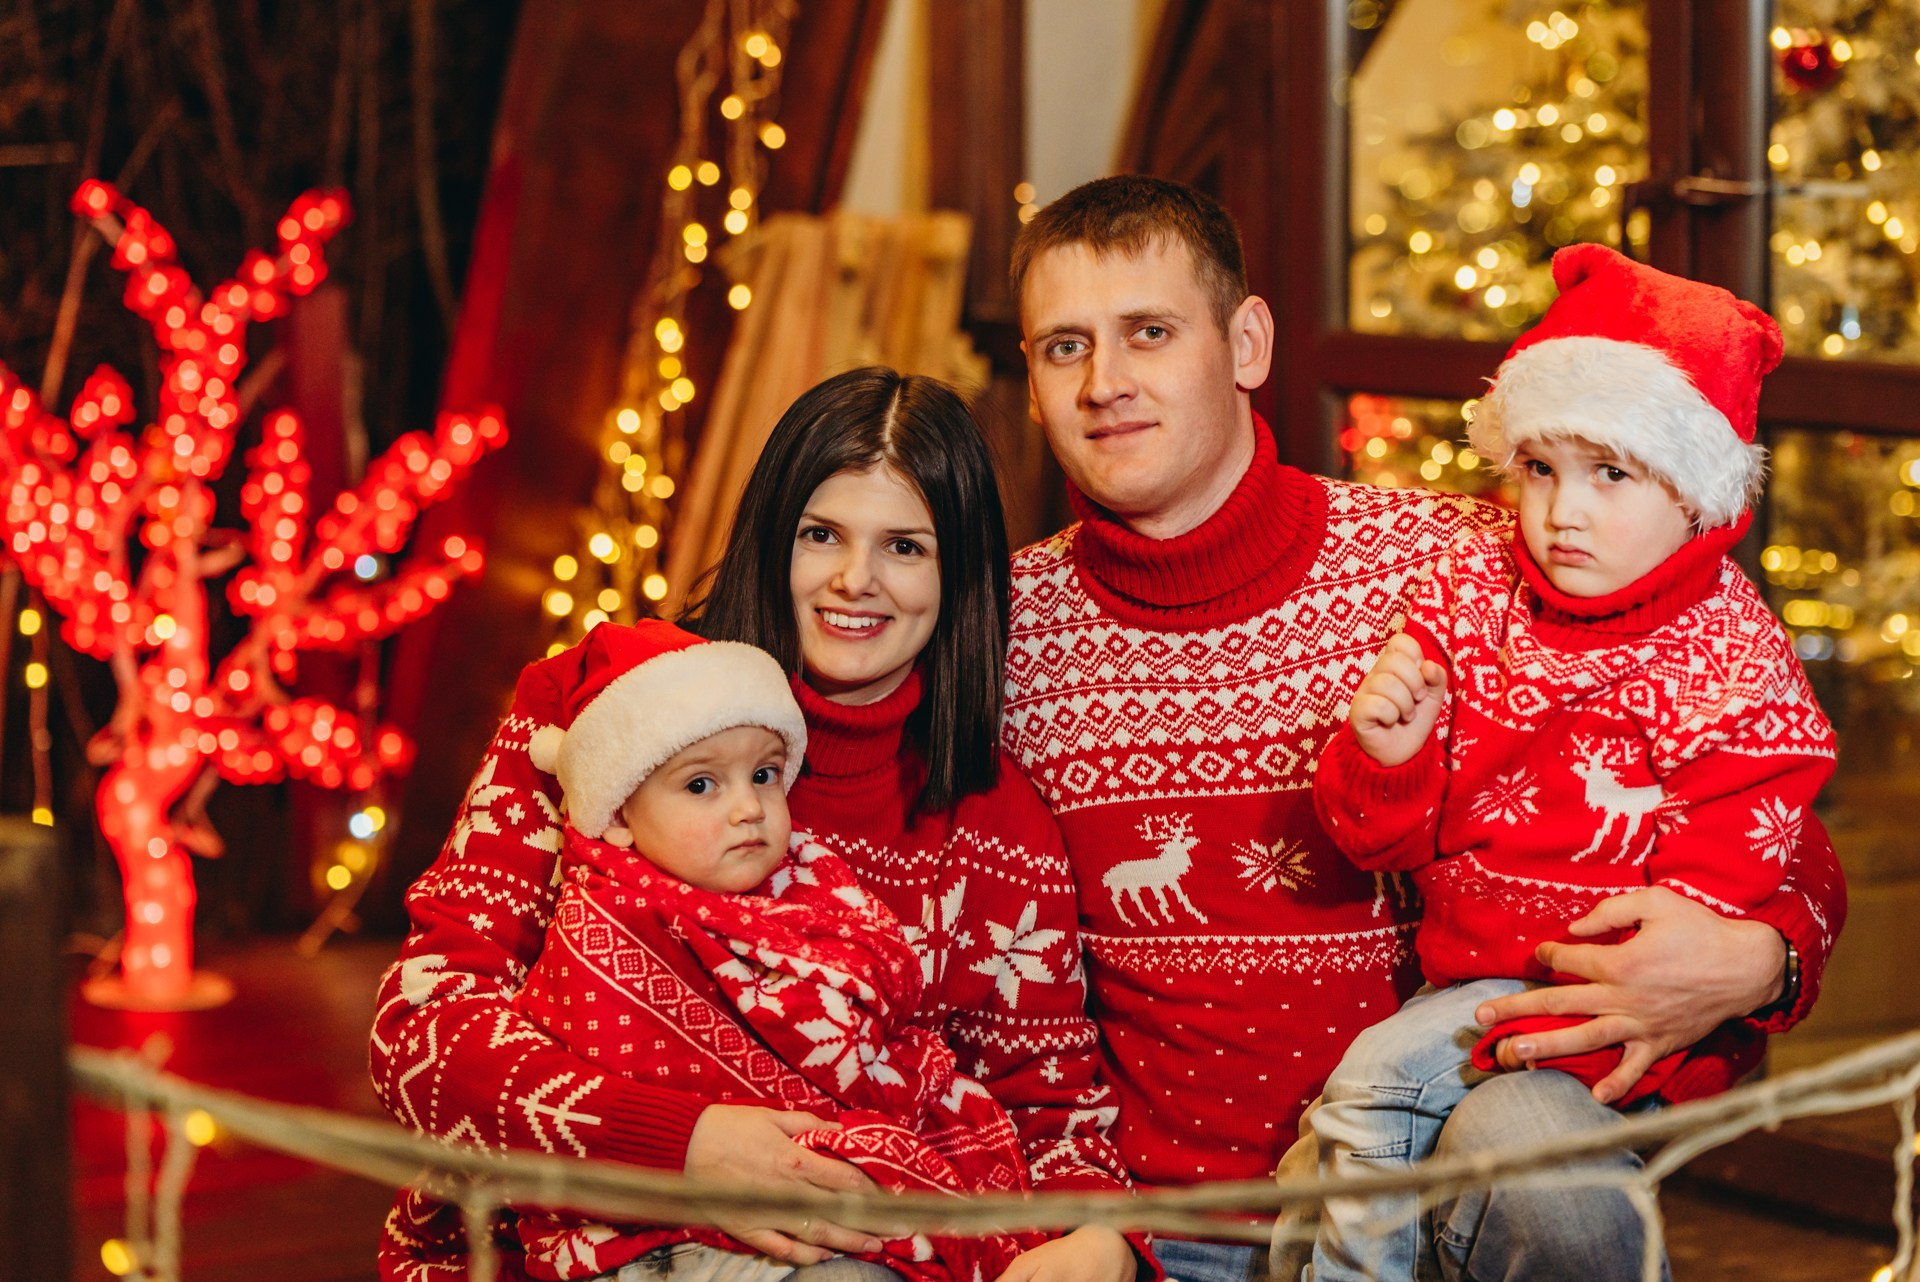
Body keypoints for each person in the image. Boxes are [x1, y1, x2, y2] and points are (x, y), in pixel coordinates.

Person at [998, 175, 1846, 1282]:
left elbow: (1766, 810)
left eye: (1149, 332)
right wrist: (1069, 1220)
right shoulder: (1003, 630)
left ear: (1247, 343)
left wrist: (1762, 958)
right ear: (1031, 382)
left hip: (1434, 1193)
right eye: (1064, 347)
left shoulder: (1464, 567)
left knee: (1548, 1176)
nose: (1105, 383)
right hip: (1147, 1227)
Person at [372, 368, 1136, 1282]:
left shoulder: (996, 821)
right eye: (821, 534)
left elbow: (1049, 1118)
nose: (855, 580)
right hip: (564, 1248)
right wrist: (681, 1146)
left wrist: (1102, 1240)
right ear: (774, 536)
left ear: (959, 572)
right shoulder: (602, 711)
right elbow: (421, 1034)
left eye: (905, 546)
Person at [1298, 244, 1837, 1282]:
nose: (1562, 512)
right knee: (1346, 1131)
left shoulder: (1730, 659)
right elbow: (1377, 840)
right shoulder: (1471, 592)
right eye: (1540, 469)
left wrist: (1594, 1034)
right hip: (1468, 980)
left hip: (1600, 1008)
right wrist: (1388, 760)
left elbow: (1706, 918)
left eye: (1611, 472)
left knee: (1370, 1093)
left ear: (1695, 489)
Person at [498, 617, 1046, 1281]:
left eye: (763, 775)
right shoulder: (604, 924)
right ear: (617, 814)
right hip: (656, 1235)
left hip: (808, 1210)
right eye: (701, 785)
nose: (749, 808)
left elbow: (866, 1032)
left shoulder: (812, 892)